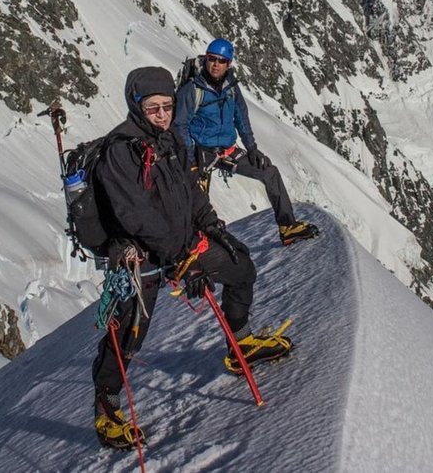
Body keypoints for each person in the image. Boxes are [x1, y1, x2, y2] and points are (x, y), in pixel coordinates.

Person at [90, 66, 292, 450]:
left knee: (240, 266)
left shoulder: (171, 142)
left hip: (184, 246)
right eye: (153, 109)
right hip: (141, 256)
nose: (162, 115)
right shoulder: (119, 152)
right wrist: (182, 259)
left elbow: (191, 190)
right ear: (136, 106)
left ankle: (241, 343)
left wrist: (211, 225)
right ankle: (106, 408)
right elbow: (136, 216)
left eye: (167, 107)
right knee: (130, 332)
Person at [173, 38, 319, 246]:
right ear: (206, 59)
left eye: (221, 61)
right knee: (197, 200)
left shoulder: (231, 87)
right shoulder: (193, 89)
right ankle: (193, 245)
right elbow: (180, 125)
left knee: (269, 172)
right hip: (201, 152)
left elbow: (241, 117)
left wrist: (252, 148)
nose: (215, 64)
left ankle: (288, 227)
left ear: (229, 64)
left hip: (227, 150)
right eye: (212, 59)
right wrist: (191, 161)